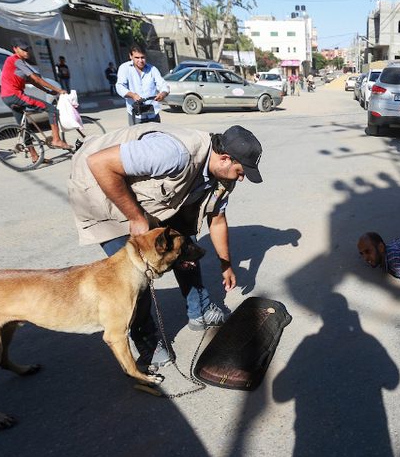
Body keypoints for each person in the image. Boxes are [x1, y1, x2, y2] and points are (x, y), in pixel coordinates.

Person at [67, 123, 263, 371]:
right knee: (134, 276)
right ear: (225, 158)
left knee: (185, 247)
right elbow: (99, 163)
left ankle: (199, 309)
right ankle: (146, 341)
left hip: (145, 197)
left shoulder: (223, 174)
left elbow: (218, 220)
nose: (242, 177)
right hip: (100, 189)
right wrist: (137, 218)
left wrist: (226, 265)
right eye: (241, 170)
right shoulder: (173, 153)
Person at [0, 38, 70, 163]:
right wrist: (58, 90)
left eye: (28, 49)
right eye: (23, 49)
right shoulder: (17, 61)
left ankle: (34, 157)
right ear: (15, 49)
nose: (27, 52)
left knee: (24, 127)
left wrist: (48, 91)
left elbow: (32, 81)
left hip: (6, 97)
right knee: (52, 109)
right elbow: (36, 79)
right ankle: (56, 140)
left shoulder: (14, 62)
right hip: (15, 95)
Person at [116, 44, 170, 125]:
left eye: (142, 57)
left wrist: (162, 94)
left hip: (153, 114)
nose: (140, 60)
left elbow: (163, 85)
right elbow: (120, 86)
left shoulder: (153, 69)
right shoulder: (124, 68)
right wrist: (132, 95)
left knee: (156, 136)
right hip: (136, 115)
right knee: (137, 137)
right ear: (131, 56)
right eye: (137, 58)